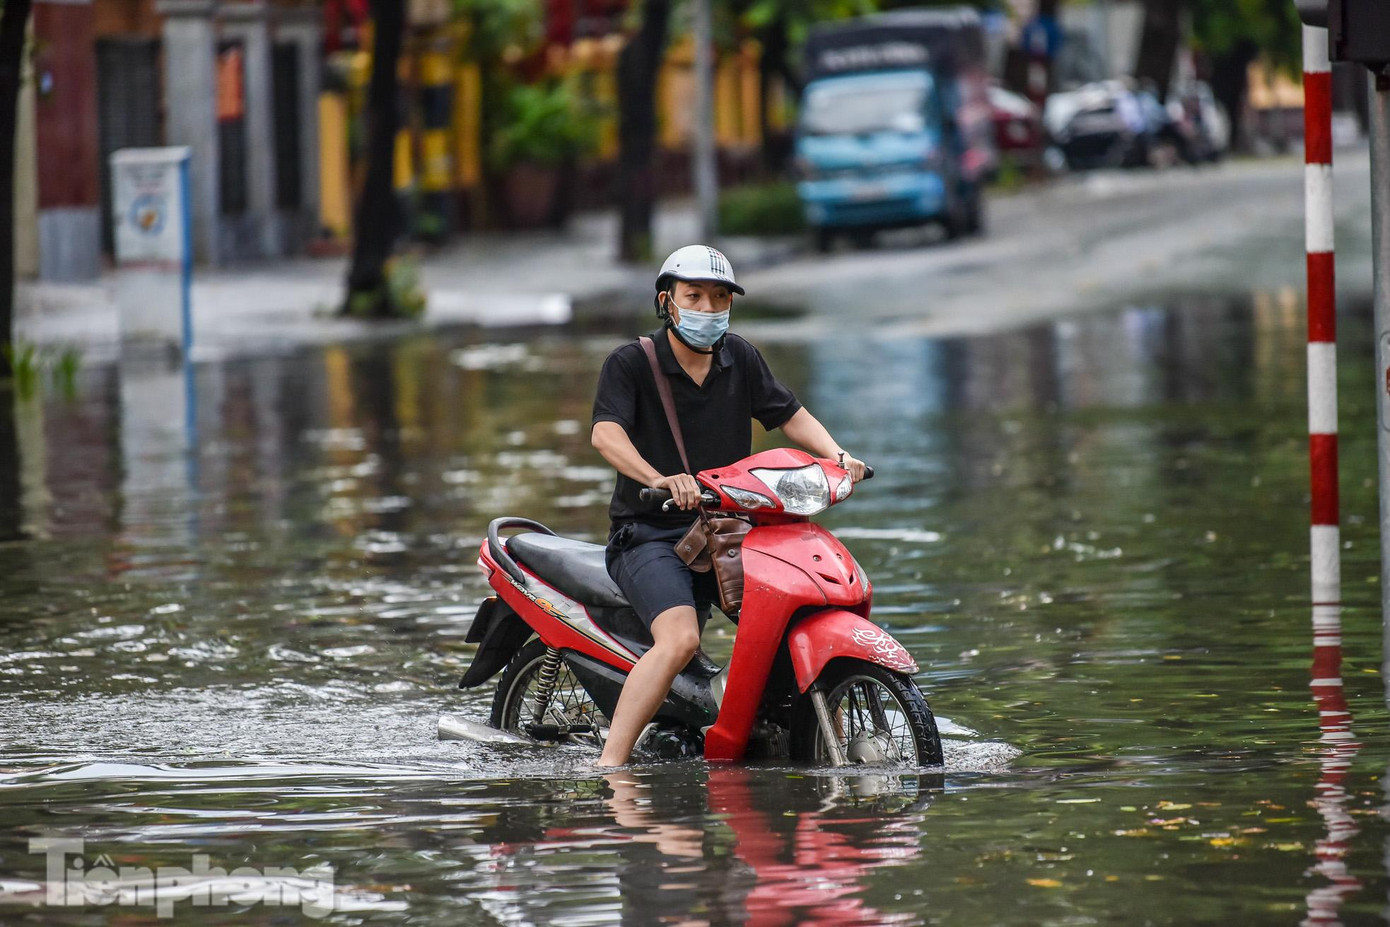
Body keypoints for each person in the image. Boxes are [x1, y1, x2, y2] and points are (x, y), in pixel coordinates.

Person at [590, 245, 866, 767]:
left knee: (794, 617)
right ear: (666, 302)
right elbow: (606, 434)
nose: (708, 308)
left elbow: (790, 414)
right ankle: (611, 769)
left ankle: (797, 740)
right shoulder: (631, 363)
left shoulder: (740, 357)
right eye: (694, 296)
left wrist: (839, 456)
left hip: (728, 532)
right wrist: (659, 479)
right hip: (649, 536)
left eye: (720, 298)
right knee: (679, 640)